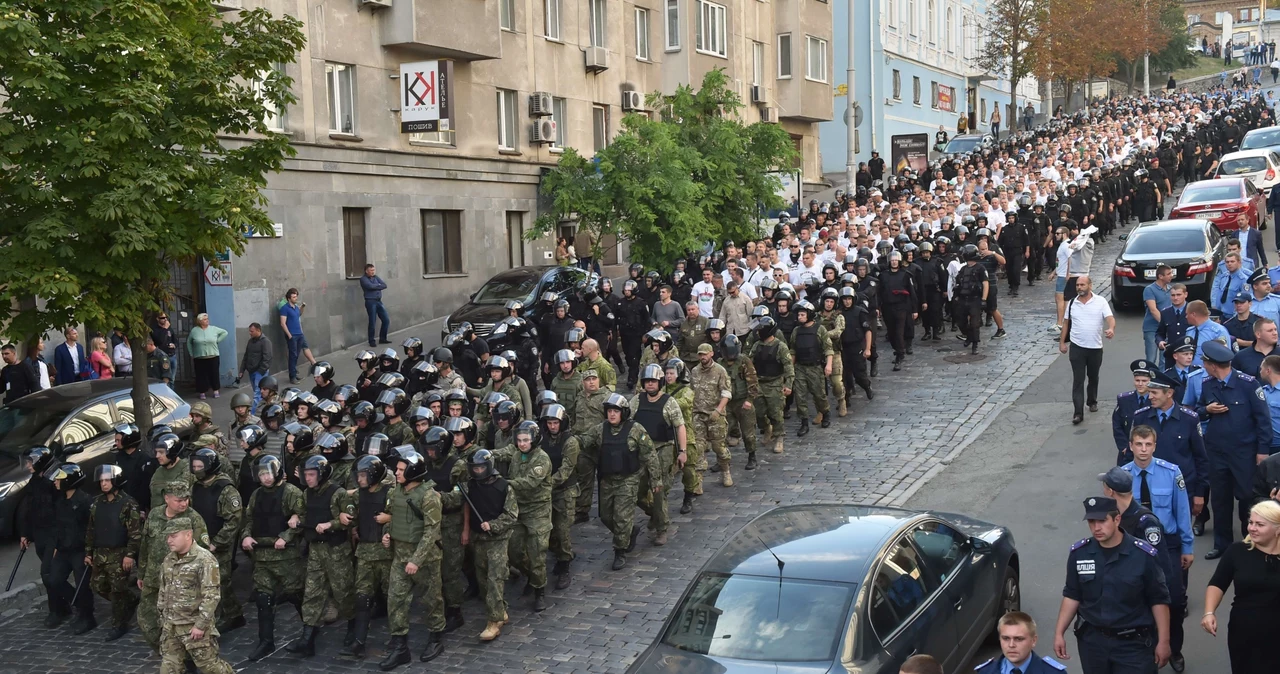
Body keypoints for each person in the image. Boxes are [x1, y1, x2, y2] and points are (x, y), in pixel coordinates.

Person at [1053, 496, 1171, 672]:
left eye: (1102, 521)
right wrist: (1059, 633)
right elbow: (1072, 595)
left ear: (1117, 519)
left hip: (1133, 645)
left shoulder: (1143, 555)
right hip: (1093, 644)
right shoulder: (1080, 554)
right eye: (1091, 522)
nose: (1096, 527)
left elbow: (1158, 600)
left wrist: (1164, 641)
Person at [1118, 430, 1195, 670]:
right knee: (1138, 600)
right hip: (1132, 545)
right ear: (1130, 446)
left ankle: (1174, 648)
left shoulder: (1171, 473)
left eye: (1148, 444)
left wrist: (1187, 546)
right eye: (1138, 444)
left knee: (1173, 599)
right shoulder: (1122, 476)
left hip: (1167, 545)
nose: (1143, 449)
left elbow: (1182, 511)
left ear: (1155, 446)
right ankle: (1146, 648)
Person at [1195, 340, 1272, 560]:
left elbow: (1263, 420)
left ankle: (1250, 542)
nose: (1204, 365)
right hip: (1217, 452)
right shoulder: (1208, 384)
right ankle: (1223, 544)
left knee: (1247, 497)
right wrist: (1207, 410)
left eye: (1205, 362)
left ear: (1213, 365)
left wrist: (1262, 451)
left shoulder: (1248, 384)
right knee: (1220, 499)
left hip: (1244, 452)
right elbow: (1199, 410)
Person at [576, 393, 660, 571]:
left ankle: (620, 551)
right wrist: (570, 441)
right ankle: (629, 532)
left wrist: (655, 479)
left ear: (624, 412)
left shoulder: (636, 430)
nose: (612, 414)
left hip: (627, 480)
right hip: (607, 480)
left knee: (622, 517)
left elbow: (650, 455)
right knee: (606, 517)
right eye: (609, 411)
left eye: (616, 411)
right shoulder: (600, 430)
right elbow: (585, 440)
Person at [1203, 499, 1280, 674]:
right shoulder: (1237, 551)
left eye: (1260, 524)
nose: (1252, 528)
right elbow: (1217, 583)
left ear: (1278, 529)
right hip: (1244, 632)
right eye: (1251, 522)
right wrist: (1209, 612)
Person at [240, 455, 305, 662]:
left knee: (295, 594)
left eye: (268, 473)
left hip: (286, 555)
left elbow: (301, 517)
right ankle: (266, 641)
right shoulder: (256, 494)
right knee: (263, 599)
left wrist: (285, 537)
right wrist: (246, 536)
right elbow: (249, 518)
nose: (265, 478)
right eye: (261, 474)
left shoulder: (291, 492)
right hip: (262, 555)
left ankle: (310, 631)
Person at [289, 454, 355, 657]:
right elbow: (299, 511)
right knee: (312, 593)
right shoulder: (307, 493)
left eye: (311, 474)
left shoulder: (338, 493)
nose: (307, 478)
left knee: (343, 591)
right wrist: (294, 516)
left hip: (336, 550)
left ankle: (354, 628)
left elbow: (349, 518)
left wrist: (331, 524)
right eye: (305, 475)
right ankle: (307, 638)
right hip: (316, 550)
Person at [137, 480, 211, 653]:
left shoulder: (193, 518)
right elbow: (145, 545)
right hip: (154, 577)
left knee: (180, 623)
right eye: (179, 500)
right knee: (145, 618)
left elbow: (203, 552)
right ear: (167, 498)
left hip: (179, 582)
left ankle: (183, 658)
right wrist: (141, 573)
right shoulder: (155, 514)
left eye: (186, 499)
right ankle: (165, 651)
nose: (184, 503)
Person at [157, 519, 236, 674]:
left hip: (194, 627)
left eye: (173, 536)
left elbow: (212, 595)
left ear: (188, 535)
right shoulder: (169, 559)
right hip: (171, 627)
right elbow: (163, 590)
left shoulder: (204, 559)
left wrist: (200, 625)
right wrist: (163, 618)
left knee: (210, 667)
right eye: (168, 536)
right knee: (169, 669)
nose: (169, 540)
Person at [188, 448, 246, 633]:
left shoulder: (225, 489)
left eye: (200, 466)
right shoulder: (196, 486)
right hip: (200, 542)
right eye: (194, 466)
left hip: (219, 543)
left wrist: (217, 543)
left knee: (221, 580)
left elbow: (234, 521)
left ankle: (232, 614)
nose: (197, 470)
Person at [630, 364, 687, 545]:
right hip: (641, 451)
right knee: (636, 492)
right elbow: (628, 422)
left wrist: (683, 451)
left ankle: (662, 528)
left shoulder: (669, 402)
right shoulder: (637, 401)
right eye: (647, 382)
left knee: (658, 491)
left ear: (660, 382)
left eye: (653, 381)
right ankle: (655, 514)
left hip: (662, 449)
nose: (650, 385)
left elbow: (680, 426)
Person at [85, 465, 142, 642]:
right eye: (101, 481)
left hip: (119, 553)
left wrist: (130, 555)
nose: (104, 484)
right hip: (100, 552)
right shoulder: (96, 503)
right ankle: (130, 599)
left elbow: (135, 533)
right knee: (98, 586)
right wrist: (88, 552)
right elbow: (91, 529)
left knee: (117, 591)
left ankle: (119, 624)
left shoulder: (128, 503)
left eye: (107, 480)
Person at [1060, 275, 1115, 424]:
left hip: (1095, 347)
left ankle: (1092, 401)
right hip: (1077, 347)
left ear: (1090, 286)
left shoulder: (1100, 301)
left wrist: (1110, 328)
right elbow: (1066, 323)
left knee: (1093, 376)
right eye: (1078, 285)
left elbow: (1110, 318)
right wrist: (1062, 342)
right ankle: (1078, 413)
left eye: (1082, 285)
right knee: (1078, 380)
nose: (1079, 288)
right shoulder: (1072, 303)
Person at [50, 463, 96, 634]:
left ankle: (87, 617)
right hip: (63, 550)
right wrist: (56, 546)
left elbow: (93, 528)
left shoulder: (85, 501)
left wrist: (90, 552)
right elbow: (59, 526)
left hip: (80, 550)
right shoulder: (60, 501)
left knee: (82, 585)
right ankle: (78, 605)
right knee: (54, 579)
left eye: (59, 478)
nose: (55, 481)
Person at [973, 611, 1068, 673]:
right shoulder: (985, 671)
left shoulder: (1053, 672)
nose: (1011, 645)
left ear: (1033, 641)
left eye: (1018, 639)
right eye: (1006, 638)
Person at [1111, 360, 1154, 465]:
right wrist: (1125, 446)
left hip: (1149, 452)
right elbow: (1117, 425)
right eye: (1137, 380)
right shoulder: (1124, 400)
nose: (1140, 384)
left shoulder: (1155, 401)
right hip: (1128, 452)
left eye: (1144, 381)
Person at [187, 313, 228, 399]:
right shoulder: (194, 330)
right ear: (200, 321)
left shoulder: (213, 329)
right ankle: (202, 392)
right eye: (205, 319)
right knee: (201, 375)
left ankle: (215, 390)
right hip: (199, 357)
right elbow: (189, 342)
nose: (207, 320)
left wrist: (217, 340)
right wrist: (191, 353)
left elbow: (225, 332)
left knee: (214, 374)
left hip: (213, 355)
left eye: (207, 319)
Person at [279, 289, 315, 384]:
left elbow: (299, 314)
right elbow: (283, 323)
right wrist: (289, 335)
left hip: (299, 334)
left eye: (296, 296)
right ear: (289, 298)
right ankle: (292, 377)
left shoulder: (295, 307)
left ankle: (295, 374)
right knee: (292, 356)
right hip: (292, 335)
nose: (296, 298)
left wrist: (302, 307)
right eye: (294, 297)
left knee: (296, 355)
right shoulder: (285, 308)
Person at [1142, 265, 1174, 366]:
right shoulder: (1149, 289)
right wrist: (1165, 324)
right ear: (1160, 276)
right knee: (1151, 358)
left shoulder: (1171, 289)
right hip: (1152, 328)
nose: (1171, 276)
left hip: (1166, 329)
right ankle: (1147, 379)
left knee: (1164, 358)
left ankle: (1162, 380)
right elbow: (1153, 310)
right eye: (1168, 274)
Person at [238, 322, 273, 412]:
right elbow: (246, 356)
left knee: (257, 394)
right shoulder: (250, 341)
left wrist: (261, 371)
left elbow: (267, 358)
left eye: (252, 331)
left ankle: (253, 415)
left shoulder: (265, 342)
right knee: (259, 393)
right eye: (249, 331)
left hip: (260, 372)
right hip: (252, 371)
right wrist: (242, 370)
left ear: (258, 330)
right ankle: (263, 409)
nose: (250, 333)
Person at [360, 263, 391, 348]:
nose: (373, 272)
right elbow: (369, 286)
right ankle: (371, 341)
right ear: (366, 271)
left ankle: (383, 338)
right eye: (371, 270)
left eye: (374, 270)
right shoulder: (363, 279)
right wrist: (378, 286)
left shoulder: (376, 277)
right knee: (372, 321)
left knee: (386, 320)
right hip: (370, 302)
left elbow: (384, 285)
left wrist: (376, 286)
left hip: (378, 301)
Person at [151, 313, 179, 382]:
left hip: (172, 356)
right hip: (162, 357)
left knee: (172, 379)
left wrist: (174, 345)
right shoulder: (154, 329)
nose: (165, 319)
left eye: (166, 317)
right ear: (157, 319)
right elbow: (160, 340)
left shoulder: (169, 328)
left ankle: (172, 392)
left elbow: (176, 341)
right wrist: (165, 329)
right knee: (164, 379)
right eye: (162, 318)